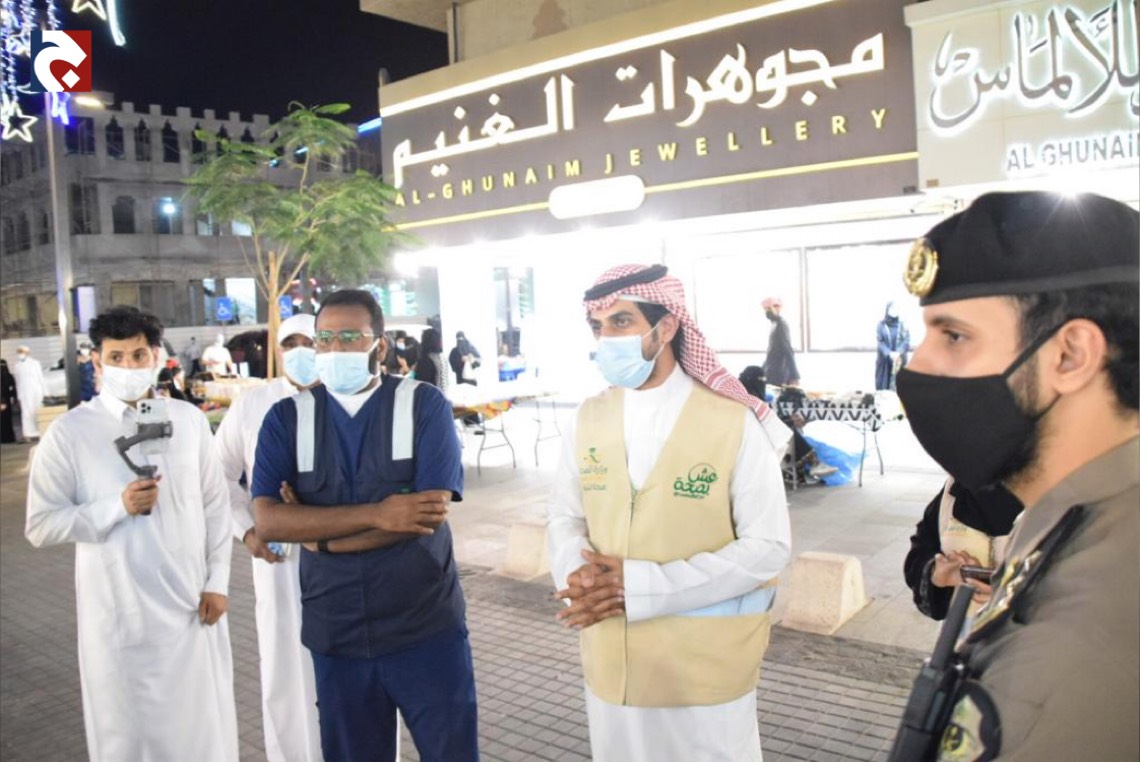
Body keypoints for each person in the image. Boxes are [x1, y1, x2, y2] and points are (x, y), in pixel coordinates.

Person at [892, 191, 1138, 759]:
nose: (918, 365)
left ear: (1070, 355)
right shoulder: (1071, 515)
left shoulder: (1082, 646)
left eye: (954, 336)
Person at [547, 264, 792, 761]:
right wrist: (580, 577)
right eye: (598, 326)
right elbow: (564, 518)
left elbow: (768, 548)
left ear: (667, 327)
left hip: (705, 671)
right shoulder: (587, 418)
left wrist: (638, 586)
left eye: (621, 322)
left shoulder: (733, 421)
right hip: (613, 664)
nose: (606, 338)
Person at [250, 289, 478, 761]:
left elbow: (427, 513)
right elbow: (268, 520)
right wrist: (380, 513)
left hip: (425, 628)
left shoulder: (424, 405)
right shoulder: (287, 418)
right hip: (337, 633)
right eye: (325, 339)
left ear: (380, 345)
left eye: (350, 337)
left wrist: (319, 536)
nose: (335, 349)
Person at [24, 305, 238, 761]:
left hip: (191, 606)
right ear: (97, 361)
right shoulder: (70, 433)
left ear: (156, 356)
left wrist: (217, 581)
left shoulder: (187, 420)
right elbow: (41, 525)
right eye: (116, 357)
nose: (128, 366)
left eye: (138, 355)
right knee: (128, 738)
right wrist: (115, 507)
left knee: (199, 730)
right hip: (119, 616)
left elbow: (216, 505)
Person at [215, 314, 323, 762]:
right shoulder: (253, 404)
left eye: (309, 342)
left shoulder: (349, 400)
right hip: (278, 561)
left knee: (354, 667)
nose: (300, 352)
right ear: (278, 351)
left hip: (343, 555)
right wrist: (246, 530)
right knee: (284, 666)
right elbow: (217, 476)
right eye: (290, 343)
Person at [902, 478, 1022, 620]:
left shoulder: (1043, 499)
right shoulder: (954, 490)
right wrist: (935, 573)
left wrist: (1015, 596)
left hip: (1031, 630)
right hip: (962, 629)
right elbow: (920, 552)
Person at [739, 365, 836, 482]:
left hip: (757, 433)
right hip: (748, 438)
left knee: (787, 428)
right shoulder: (744, 398)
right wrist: (788, 421)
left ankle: (813, 464)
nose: (762, 385)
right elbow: (759, 421)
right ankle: (814, 463)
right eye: (761, 381)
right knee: (787, 431)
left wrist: (789, 419)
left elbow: (766, 418)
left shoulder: (748, 393)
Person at [761, 297, 799, 387]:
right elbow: (772, 351)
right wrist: (762, 369)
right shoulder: (774, 324)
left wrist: (794, 375)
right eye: (766, 308)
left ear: (778, 308)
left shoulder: (781, 324)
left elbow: (787, 349)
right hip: (772, 371)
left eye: (770, 308)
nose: (768, 311)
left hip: (779, 374)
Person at [12, 345, 46, 442]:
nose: (20, 354)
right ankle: (28, 434)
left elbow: (40, 378)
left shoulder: (35, 363)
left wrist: (45, 392)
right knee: (26, 413)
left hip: (36, 391)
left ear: (27, 353)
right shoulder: (17, 366)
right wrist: (18, 396)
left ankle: (40, 432)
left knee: (37, 411)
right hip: (24, 393)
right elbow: (17, 382)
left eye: (22, 352)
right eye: (19, 352)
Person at [875, 301, 910, 391]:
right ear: (887, 310)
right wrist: (889, 353)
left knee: (900, 388)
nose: (894, 310)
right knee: (883, 389)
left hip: (899, 361)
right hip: (885, 362)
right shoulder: (881, 325)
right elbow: (880, 342)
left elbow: (906, 341)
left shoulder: (903, 325)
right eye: (892, 308)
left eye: (896, 308)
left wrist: (899, 352)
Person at [414, 328, 449, 394]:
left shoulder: (425, 360)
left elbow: (421, 383)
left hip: (431, 396)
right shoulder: (442, 357)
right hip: (443, 395)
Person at [1, 358, 16, 443]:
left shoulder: (9, 376)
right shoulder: (9, 376)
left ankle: (5, 438)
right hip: (5, 401)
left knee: (5, 420)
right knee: (6, 420)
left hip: (5, 401)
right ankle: (8, 438)